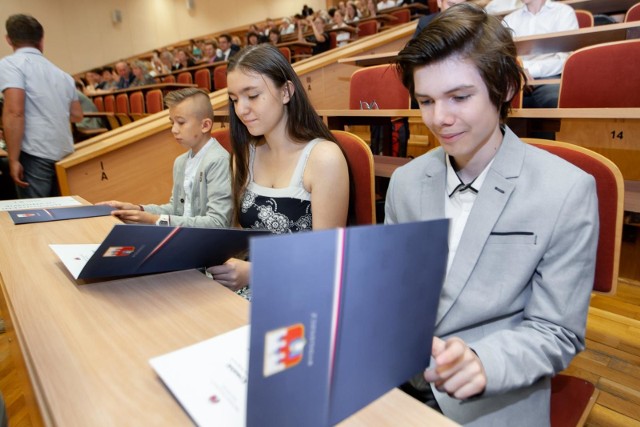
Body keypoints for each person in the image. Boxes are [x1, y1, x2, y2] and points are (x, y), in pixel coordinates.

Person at [388, 4, 598, 425]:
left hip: (494, 393)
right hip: (399, 381)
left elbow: (556, 331)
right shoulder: (405, 182)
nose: (440, 119)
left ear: (503, 87)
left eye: (460, 97)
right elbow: (395, 291)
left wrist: (485, 362)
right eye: (426, 101)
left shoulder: (566, 190)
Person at [207, 44, 349, 299]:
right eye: (234, 99)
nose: (241, 110)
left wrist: (254, 272)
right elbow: (239, 236)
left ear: (286, 92)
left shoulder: (323, 158)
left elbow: (326, 259)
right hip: (246, 282)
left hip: (301, 290)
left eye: (252, 96)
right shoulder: (245, 155)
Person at [99, 88, 232, 228]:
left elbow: (218, 223)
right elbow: (176, 210)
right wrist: (138, 209)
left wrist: (154, 220)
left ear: (205, 125)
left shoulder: (218, 161)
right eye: (172, 123)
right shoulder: (181, 162)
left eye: (180, 122)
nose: (174, 129)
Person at [0, 14, 83, 198]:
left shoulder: (10, 65)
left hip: (34, 152)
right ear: (41, 40)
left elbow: (14, 112)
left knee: (37, 218)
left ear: (8, 39)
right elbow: (77, 115)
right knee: (61, 213)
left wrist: (13, 159)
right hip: (64, 151)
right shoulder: (62, 74)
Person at [503, 0, 578, 108]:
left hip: (551, 77)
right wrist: (518, 71)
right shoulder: (509, 19)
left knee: (554, 100)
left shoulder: (564, 12)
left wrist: (527, 71)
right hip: (516, 79)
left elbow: (566, 59)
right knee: (492, 102)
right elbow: (502, 58)